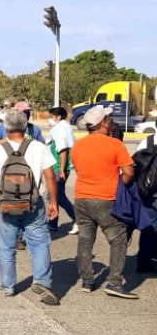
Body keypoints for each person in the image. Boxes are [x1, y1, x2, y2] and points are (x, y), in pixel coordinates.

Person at [0, 109, 60, 304]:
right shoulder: (39, 147)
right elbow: (50, 176)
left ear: (6, 128)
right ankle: (42, 281)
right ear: (26, 127)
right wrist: (53, 202)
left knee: (6, 247)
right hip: (34, 204)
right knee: (39, 243)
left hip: (6, 206)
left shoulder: (0, 149)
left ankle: (8, 286)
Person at [71, 105, 137, 298]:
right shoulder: (115, 144)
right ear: (103, 122)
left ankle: (87, 280)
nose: (111, 121)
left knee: (85, 239)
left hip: (82, 197)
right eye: (109, 118)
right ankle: (114, 282)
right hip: (106, 199)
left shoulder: (78, 145)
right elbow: (129, 172)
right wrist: (118, 186)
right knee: (118, 239)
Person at [46, 107, 78, 235]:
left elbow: (62, 150)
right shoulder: (66, 128)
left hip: (58, 167)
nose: (51, 118)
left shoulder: (59, 129)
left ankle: (78, 220)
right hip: (59, 167)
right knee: (54, 195)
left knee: (58, 195)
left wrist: (61, 170)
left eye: (52, 116)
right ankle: (52, 223)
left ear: (58, 117)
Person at [134, 134, 157, 275]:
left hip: (148, 191)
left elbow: (136, 165)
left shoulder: (146, 141)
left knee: (149, 226)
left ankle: (144, 261)